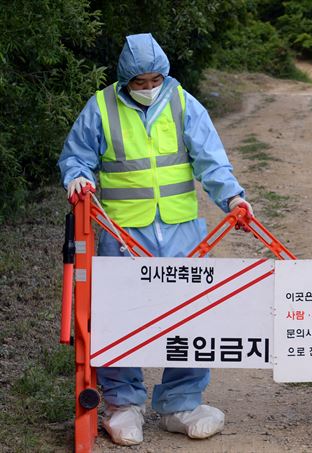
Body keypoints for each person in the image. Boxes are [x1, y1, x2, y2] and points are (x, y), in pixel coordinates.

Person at [58, 33, 253, 446]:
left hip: (182, 233)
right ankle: (122, 403)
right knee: (118, 316)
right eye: (139, 82)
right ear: (125, 80)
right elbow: (77, 155)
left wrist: (234, 198)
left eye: (154, 80)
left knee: (189, 315)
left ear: (164, 74)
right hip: (120, 234)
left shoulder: (182, 103)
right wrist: (78, 176)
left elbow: (211, 160)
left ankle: (181, 402)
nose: (148, 88)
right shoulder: (102, 107)